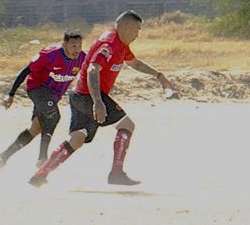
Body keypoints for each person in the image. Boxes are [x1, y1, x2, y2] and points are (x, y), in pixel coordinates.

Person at [28, 11, 174, 187]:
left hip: (78, 95)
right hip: (88, 95)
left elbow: (135, 63)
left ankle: (39, 175)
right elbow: (92, 70)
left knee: (77, 139)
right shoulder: (109, 43)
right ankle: (116, 173)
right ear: (126, 27)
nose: (137, 34)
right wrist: (98, 102)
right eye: (136, 29)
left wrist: (159, 75)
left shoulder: (121, 44)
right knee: (127, 125)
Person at [0, 32, 86, 168]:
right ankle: (42, 158)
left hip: (54, 96)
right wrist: (11, 94)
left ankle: (3, 156)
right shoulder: (50, 54)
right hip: (37, 88)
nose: (77, 49)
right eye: (73, 46)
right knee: (53, 116)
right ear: (64, 44)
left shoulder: (82, 58)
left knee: (35, 129)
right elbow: (26, 70)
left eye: (79, 45)